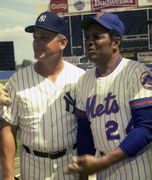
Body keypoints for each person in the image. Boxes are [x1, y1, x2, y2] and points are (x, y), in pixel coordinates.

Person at [66, 11, 152, 180]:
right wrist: (83, 173)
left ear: (115, 43)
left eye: (97, 36)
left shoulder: (136, 72)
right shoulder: (84, 80)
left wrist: (102, 162)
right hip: (104, 170)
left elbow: (146, 127)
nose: (89, 42)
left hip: (137, 165)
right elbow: (85, 132)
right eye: (87, 37)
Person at [0, 11, 85, 180]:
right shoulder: (18, 80)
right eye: (35, 38)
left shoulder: (80, 78)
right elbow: (8, 128)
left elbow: (87, 128)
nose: (36, 43)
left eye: (44, 38)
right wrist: (8, 176)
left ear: (62, 43)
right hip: (32, 165)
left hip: (70, 164)